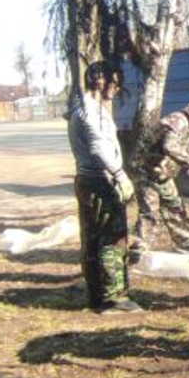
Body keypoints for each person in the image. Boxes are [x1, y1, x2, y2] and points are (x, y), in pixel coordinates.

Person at [67, 61, 142, 314]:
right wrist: (121, 176)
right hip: (99, 181)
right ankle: (113, 298)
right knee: (111, 238)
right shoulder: (91, 112)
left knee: (92, 238)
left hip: (89, 179)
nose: (117, 89)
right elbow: (98, 148)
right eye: (115, 83)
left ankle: (97, 295)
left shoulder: (83, 107)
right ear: (103, 82)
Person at [130, 103, 189, 259]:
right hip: (145, 170)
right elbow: (169, 146)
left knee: (174, 205)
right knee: (150, 211)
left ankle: (185, 242)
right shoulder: (178, 121)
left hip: (161, 174)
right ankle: (140, 250)